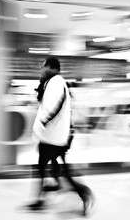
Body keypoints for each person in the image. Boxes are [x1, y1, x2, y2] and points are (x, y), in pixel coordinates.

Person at [27, 57, 94, 216]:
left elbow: (55, 107)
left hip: (54, 137)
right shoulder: (51, 83)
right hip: (53, 136)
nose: (41, 70)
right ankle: (76, 192)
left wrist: (45, 120)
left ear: (51, 67)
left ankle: (83, 194)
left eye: (43, 67)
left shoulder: (57, 82)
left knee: (46, 168)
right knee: (51, 168)